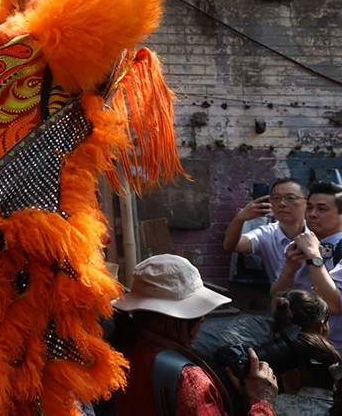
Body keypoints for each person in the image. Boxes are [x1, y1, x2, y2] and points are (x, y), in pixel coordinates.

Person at [111, 254, 277, 416]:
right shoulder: (188, 380)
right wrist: (261, 403)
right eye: (197, 318)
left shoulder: (121, 355)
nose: (201, 322)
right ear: (174, 319)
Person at [269, 181, 342, 348]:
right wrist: (289, 268)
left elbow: (333, 306)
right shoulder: (298, 245)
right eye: (309, 208)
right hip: (301, 346)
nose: (313, 214)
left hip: (336, 349)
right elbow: (276, 296)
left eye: (322, 209)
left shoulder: (323, 250)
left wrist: (314, 257)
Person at [223, 178, 308, 284]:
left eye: (290, 198)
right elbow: (232, 245)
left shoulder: (318, 232)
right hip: (282, 297)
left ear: (307, 203)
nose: (282, 203)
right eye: (276, 198)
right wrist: (240, 219)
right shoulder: (266, 233)